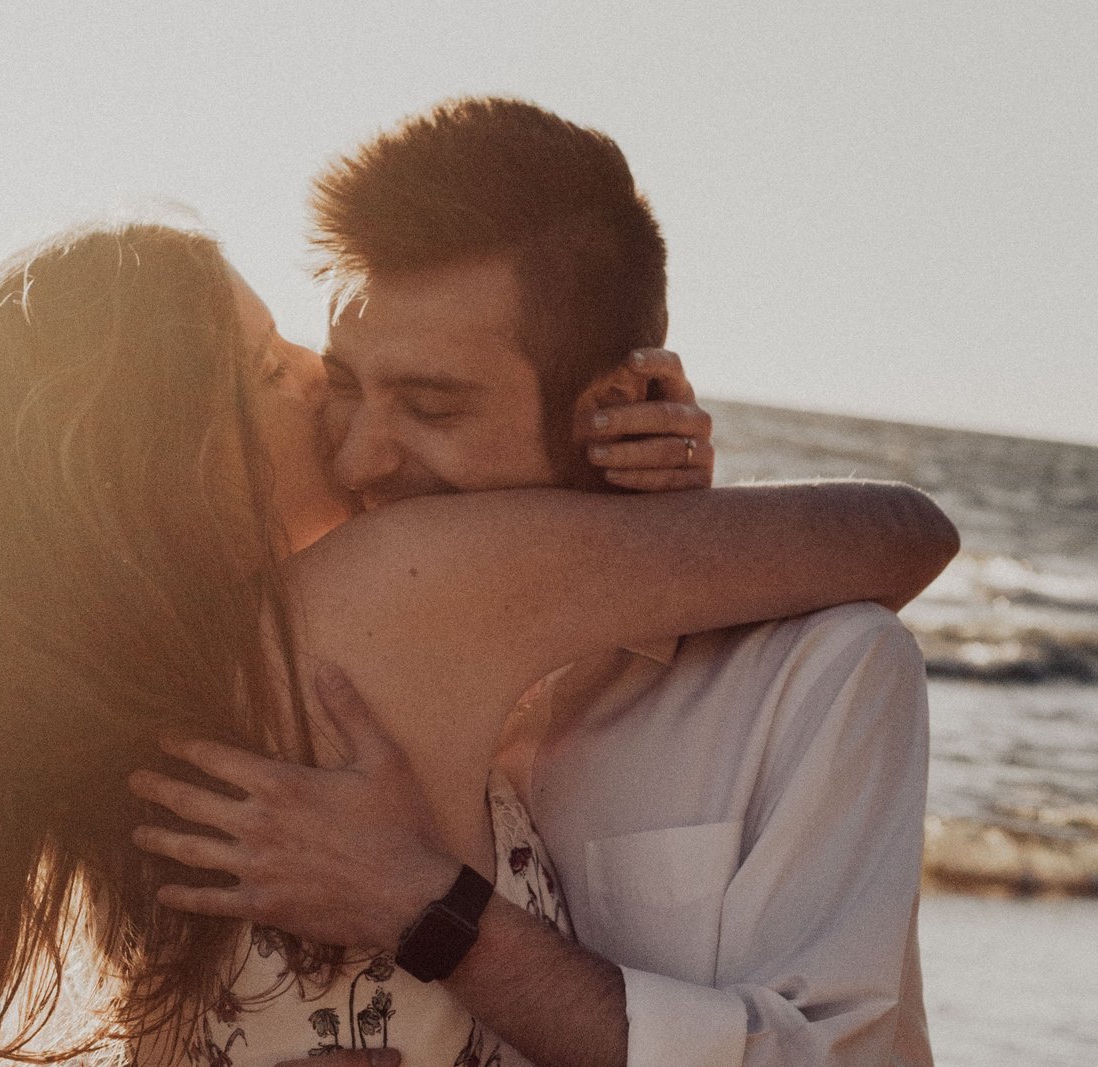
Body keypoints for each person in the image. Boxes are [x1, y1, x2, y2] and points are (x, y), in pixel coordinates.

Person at [0, 218, 954, 1067]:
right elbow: (902, 534)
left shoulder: (92, 727)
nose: (326, 387)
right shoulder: (397, 588)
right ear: (168, 461)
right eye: (273, 369)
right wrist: (641, 492)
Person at [129, 98, 944, 1066]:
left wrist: (426, 906)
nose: (356, 457)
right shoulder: (288, 629)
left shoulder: (819, 675)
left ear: (606, 407)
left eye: (431, 405)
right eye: (343, 382)